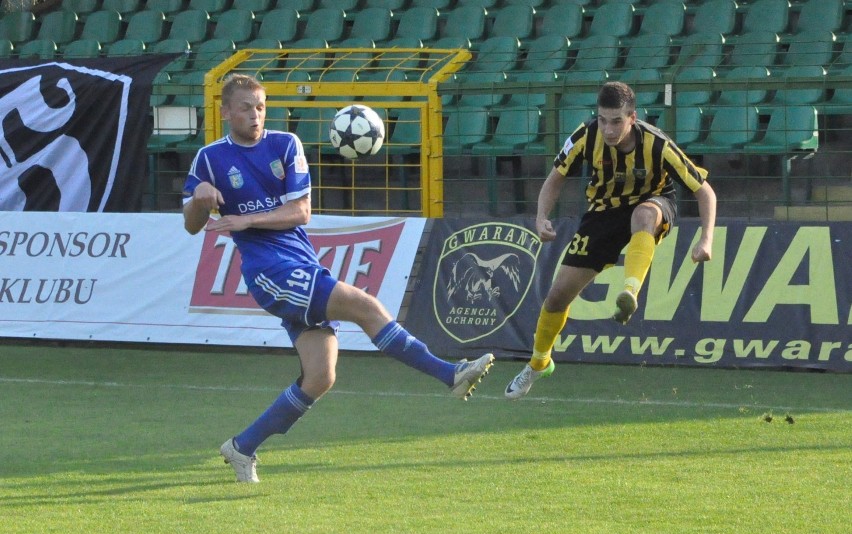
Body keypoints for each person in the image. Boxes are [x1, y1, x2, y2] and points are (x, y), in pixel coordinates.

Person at [182, 74, 494, 482]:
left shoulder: (285, 145)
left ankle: (242, 447)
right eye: (245, 107)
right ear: (225, 112)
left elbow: (301, 213)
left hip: (301, 263)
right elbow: (191, 225)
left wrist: (247, 219)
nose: (255, 114)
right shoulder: (209, 158)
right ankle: (448, 373)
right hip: (268, 271)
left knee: (321, 376)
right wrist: (201, 200)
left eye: (260, 106)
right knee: (364, 305)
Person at [504, 81, 716, 400]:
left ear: (632, 117)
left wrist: (706, 238)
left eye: (616, 121)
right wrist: (540, 216)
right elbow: (555, 179)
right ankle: (537, 364)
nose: (608, 129)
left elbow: (704, 191)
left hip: (653, 202)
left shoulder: (657, 144)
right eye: (603, 120)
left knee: (643, 215)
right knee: (557, 297)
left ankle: (629, 291)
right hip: (602, 214)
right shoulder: (584, 136)